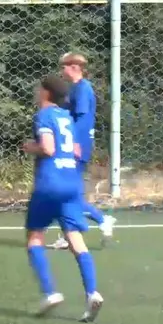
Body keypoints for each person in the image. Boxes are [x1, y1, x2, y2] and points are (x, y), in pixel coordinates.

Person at [23, 74, 105, 322]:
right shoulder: (66, 117)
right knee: (75, 239)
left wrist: (30, 147)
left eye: (39, 89)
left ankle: (50, 293)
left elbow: (48, 148)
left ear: (46, 92)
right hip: (72, 184)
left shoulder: (44, 115)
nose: (37, 92)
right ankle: (92, 293)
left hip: (50, 184)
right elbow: (75, 149)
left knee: (35, 237)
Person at [51, 52, 116, 249]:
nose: (61, 70)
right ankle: (69, 235)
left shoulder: (83, 89)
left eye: (63, 66)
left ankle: (101, 219)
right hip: (70, 146)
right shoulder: (75, 88)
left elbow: (80, 120)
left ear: (74, 67)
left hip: (76, 147)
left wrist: (74, 144)